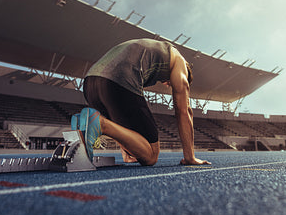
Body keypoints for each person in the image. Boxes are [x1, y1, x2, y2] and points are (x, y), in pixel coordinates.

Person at [73, 38, 210, 166]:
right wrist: (190, 157)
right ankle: (100, 124)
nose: (168, 85)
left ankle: (82, 122)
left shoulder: (152, 51)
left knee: (121, 118)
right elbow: (183, 111)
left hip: (90, 83)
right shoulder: (179, 62)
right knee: (151, 155)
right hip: (118, 81)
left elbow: (123, 119)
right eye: (169, 83)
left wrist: (128, 152)